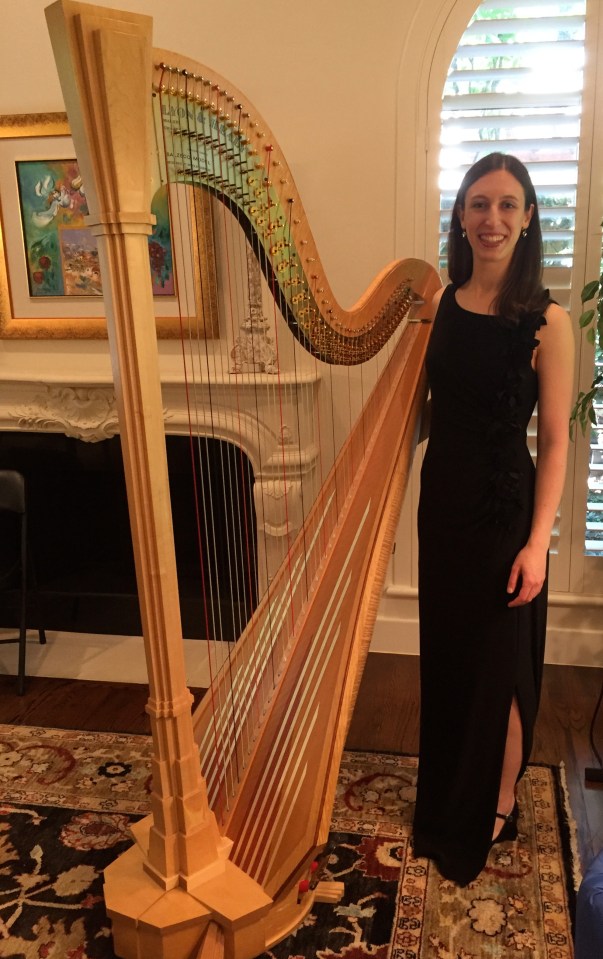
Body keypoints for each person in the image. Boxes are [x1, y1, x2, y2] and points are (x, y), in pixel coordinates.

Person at [412, 152, 574, 886]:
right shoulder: (440, 304)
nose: (492, 219)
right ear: (459, 214)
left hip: (503, 511)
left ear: (529, 217)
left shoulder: (548, 321)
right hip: (442, 504)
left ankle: (498, 798)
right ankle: (450, 792)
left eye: (508, 205)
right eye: (479, 203)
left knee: (498, 665)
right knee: (450, 656)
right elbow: (430, 409)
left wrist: (538, 543)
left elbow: (557, 440)